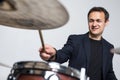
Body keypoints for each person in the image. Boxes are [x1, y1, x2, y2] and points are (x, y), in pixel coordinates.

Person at [39, 6, 118, 80]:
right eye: (91, 21)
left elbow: (108, 72)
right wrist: (53, 55)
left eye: (98, 21)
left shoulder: (109, 47)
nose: (94, 24)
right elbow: (62, 55)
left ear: (106, 22)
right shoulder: (75, 40)